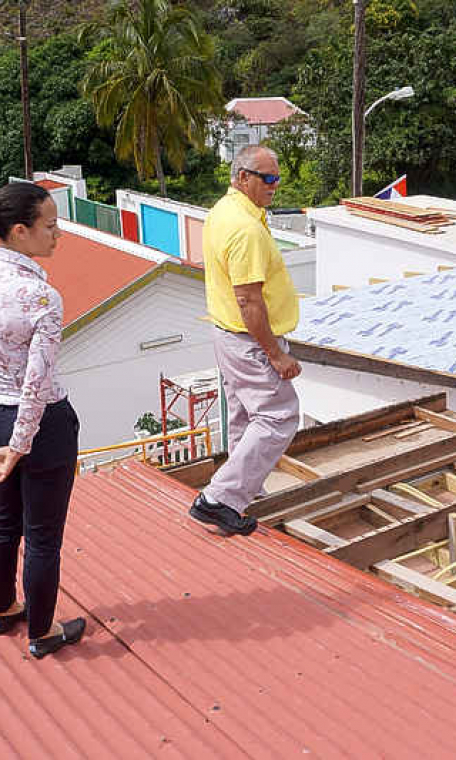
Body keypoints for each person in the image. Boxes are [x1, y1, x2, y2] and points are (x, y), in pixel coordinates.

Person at [0, 182, 85, 660]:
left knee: (5, 522)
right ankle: (42, 634)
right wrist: (23, 444)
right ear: (21, 231)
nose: (58, 235)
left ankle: (4, 608)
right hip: (41, 425)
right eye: (50, 226)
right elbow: (38, 382)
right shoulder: (40, 297)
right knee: (44, 536)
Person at [190, 145, 301, 536]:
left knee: (244, 415)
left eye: (277, 177)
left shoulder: (224, 211)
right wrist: (275, 354)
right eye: (267, 178)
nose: (275, 185)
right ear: (242, 178)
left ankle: (242, 492)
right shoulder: (246, 229)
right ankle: (219, 499)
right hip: (250, 340)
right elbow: (249, 299)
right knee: (278, 415)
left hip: (229, 336)